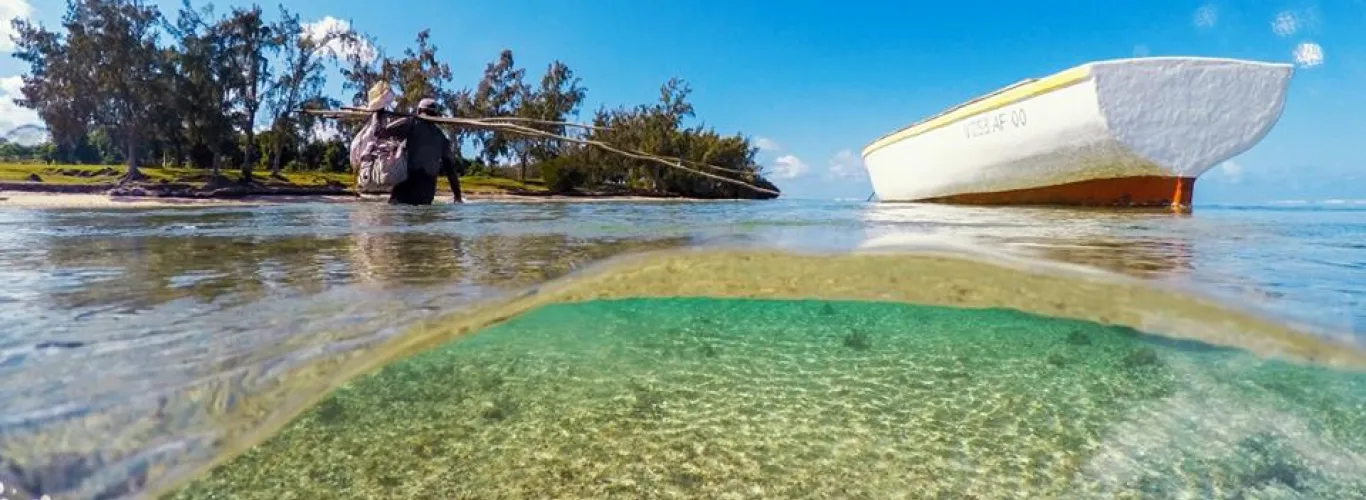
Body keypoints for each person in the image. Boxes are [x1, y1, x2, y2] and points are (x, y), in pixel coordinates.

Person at [376, 98, 463, 205]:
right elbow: (451, 171)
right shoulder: (441, 137)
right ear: (436, 116)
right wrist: (457, 196)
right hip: (426, 194)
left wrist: (378, 115)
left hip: (405, 189)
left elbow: (380, 132)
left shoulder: (411, 123)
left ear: (418, 111)